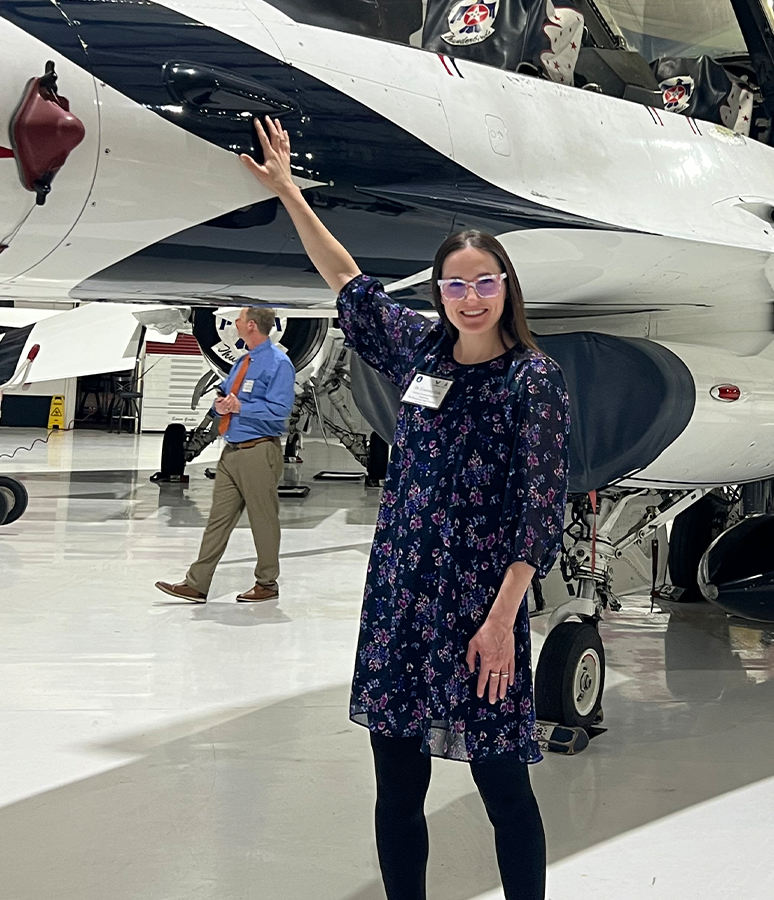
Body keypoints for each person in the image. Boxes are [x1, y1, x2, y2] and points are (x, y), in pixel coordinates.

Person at [240, 117, 569, 900]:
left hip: (481, 611)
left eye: (484, 282)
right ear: (438, 293)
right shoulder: (418, 350)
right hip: (400, 602)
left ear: (507, 287)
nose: (470, 298)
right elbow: (346, 278)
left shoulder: (534, 379)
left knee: (504, 787)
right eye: (455, 284)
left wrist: (502, 623)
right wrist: (289, 191)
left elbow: (539, 511)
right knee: (396, 788)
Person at [155, 307, 296, 601]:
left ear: (252, 325)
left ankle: (267, 584)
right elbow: (224, 393)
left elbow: (280, 411)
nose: (235, 323)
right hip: (231, 452)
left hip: (258, 451)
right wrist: (220, 405)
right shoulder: (243, 361)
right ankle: (196, 583)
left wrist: (241, 407)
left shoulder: (279, 364)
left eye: (239, 320)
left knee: (263, 520)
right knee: (217, 521)